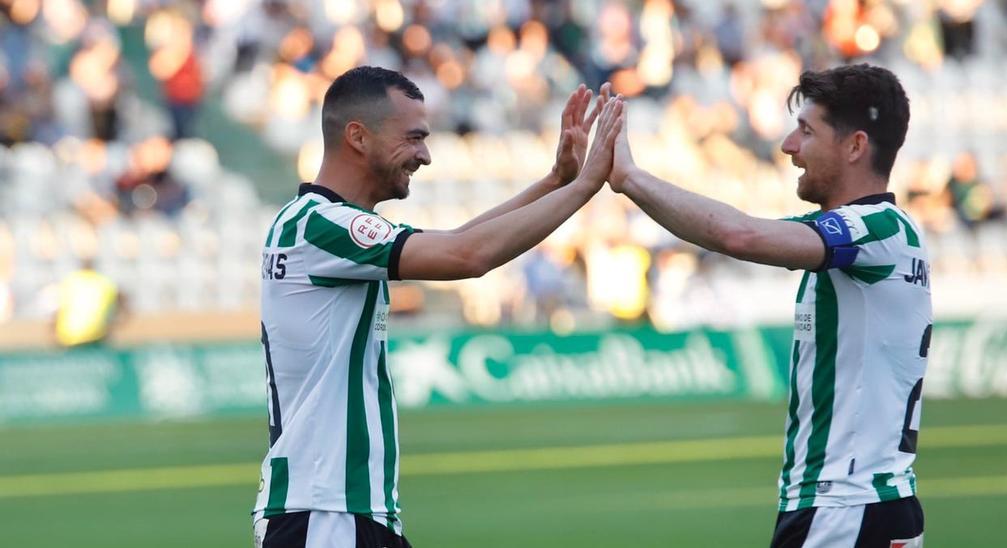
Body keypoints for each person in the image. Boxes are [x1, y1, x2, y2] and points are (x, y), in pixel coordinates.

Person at [252, 65, 624, 548]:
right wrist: (584, 188)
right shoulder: (320, 226)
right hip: (327, 514)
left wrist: (555, 181)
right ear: (358, 137)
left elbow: (460, 241)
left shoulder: (319, 225)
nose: (424, 156)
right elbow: (467, 256)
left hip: (346, 511)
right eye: (413, 138)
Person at [607, 64, 929, 547]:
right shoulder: (878, 235)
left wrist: (628, 177)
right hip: (863, 506)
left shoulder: (877, 228)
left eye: (806, 131)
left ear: (855, 146)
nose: (787, 146)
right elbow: (736, 232)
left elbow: (738, 233)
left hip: (843, 510)